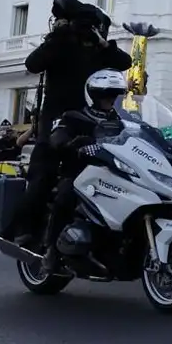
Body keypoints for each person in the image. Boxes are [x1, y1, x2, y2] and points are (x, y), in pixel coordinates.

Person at [7, 0, 132, 249]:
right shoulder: (60, 43)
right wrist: (60, 36)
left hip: (94, 120)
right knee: (43, 171)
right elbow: (33, 64)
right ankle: (26, 230)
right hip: (58, 119)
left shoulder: (100, 49)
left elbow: (124, 62)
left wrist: (102, 43)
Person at [41, 70, 132, 269]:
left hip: (113, 172)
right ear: (94, 96)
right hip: (79, 172)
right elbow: (57, 135)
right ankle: (52, 251)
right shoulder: (74, 116)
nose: (111, 99)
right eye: (105, 95)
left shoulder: (123, 121)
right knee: (65, 195)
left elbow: (138, 138)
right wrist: (71, 144)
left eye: (114, 95)